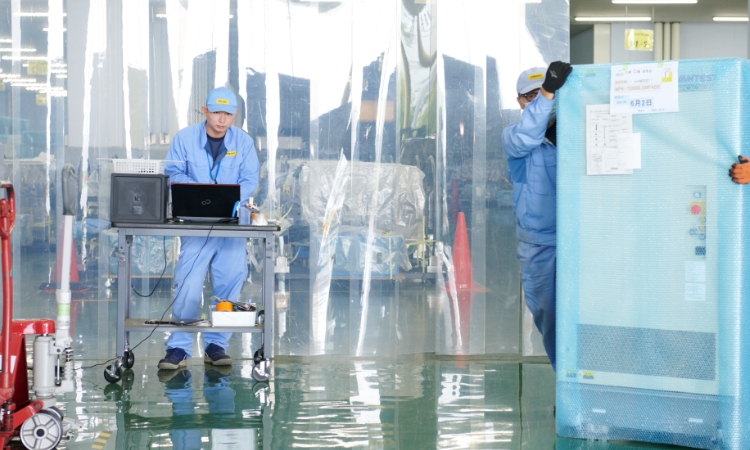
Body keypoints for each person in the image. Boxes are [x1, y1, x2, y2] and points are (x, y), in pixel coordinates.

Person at [159, 87, 259, 370]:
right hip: (196, 224)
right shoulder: (185, 139)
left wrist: (229, 196)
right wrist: (199, 192)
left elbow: (250, 178)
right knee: (188, 284)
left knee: (228, 285)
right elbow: (173, 172)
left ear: (235, 115)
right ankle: (178, 348)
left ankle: (217, 345)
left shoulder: (244, 142)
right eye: (217, 112)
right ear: (205, 110)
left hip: (231, 225)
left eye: (228, 113)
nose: (222, 119)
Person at [502, 62, 572, 371]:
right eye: (531, 96)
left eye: (545, 93)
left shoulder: (578, 133)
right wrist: (547, 92)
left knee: (590, 315)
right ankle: (568, 388)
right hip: (540, 246)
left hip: (583, 239)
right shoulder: (515, 138)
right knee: (551, 317)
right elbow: (528, 134)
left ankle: (592, 387)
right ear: (519, 102)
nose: (541, 100)